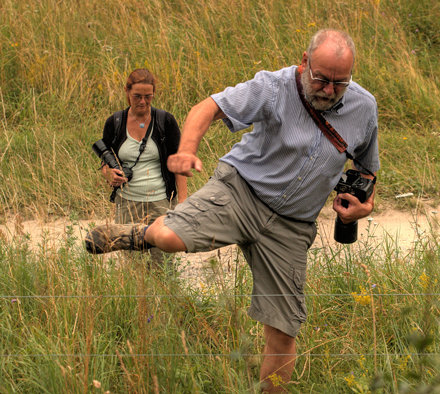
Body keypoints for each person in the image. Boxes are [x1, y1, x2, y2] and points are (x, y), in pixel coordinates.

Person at [86, 30, 379, 392]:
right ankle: (132, 233)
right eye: (321, 79)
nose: (329, 90)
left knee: (285, 331)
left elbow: (367, 169)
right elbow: (207, 107)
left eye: (340, 83)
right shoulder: (273, 87)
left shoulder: (364, 108)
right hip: (240, 192)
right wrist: (187, 151)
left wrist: (362, 207)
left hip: (291, 227)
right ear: (304, 63)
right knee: (167, 236)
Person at [98, 68, 187, 268]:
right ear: (126, 92)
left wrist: (182, 202)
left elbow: (179, 163)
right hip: (127, 204)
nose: (143, 102)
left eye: (148, 97)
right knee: (133, 265)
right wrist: (109, 174)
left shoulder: (166, 121)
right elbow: (105, 159)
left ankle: (164, 298)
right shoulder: (115, 122)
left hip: (161, 203)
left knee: (163, 264)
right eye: (137, 96)